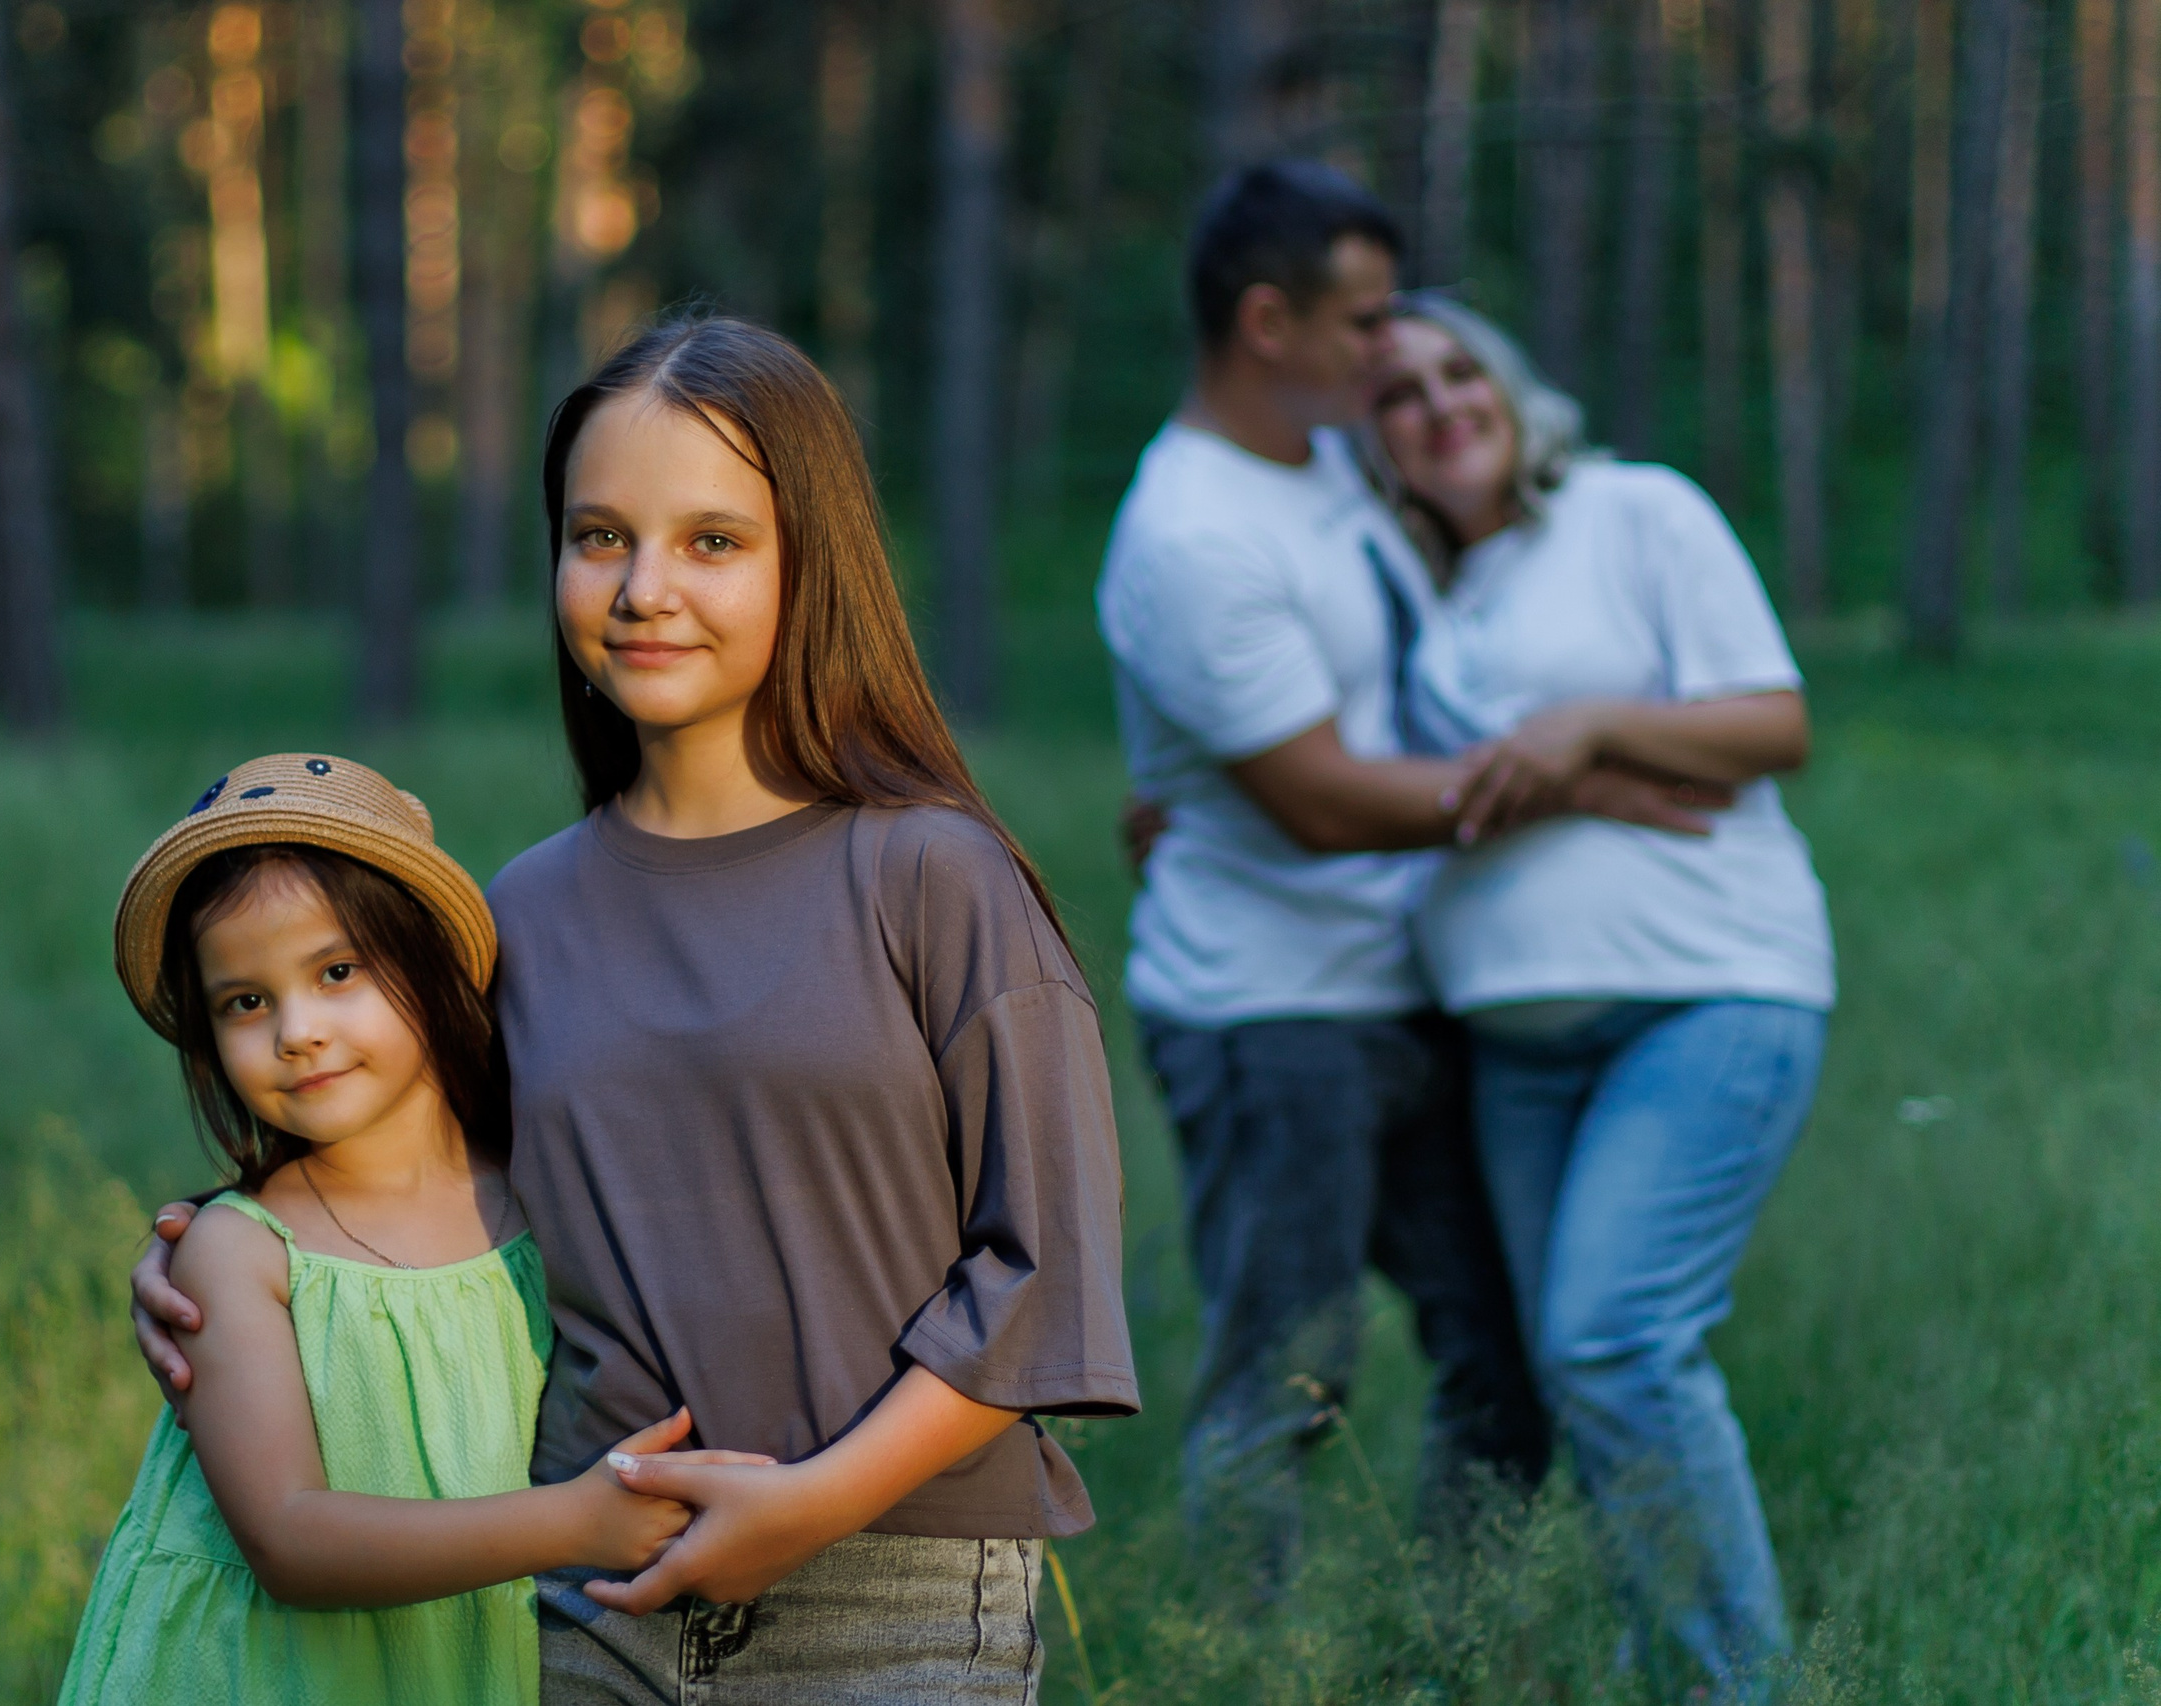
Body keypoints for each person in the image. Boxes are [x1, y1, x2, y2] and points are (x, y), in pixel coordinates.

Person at [133, 317, 1139, 1702]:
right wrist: (215, 1254)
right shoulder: (522, 916)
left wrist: (812, 1498)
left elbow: (1046, 1270)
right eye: (600, 535)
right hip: (583, 1593)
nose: (644, 587)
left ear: (810, 556)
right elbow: (421, 1183)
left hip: (890, 1589)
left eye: (712, 540)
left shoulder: (932, 873)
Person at [1095, 161, 1731, 1558]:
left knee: (1508, 1360)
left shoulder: (1326, 460)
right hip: (1272, 1018)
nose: (1388, 345)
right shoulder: (1190, 531)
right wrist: (1583, 781)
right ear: (1270, 322)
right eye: (1365, 318)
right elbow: (1320, 798)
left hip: (1408, 985)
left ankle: (1439, 1658)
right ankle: (1242, 1669)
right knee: (1287, 1388)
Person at [61, 753, 770, 1704]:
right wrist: (574, 1526)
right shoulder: (241, 1253)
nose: (297, 1030)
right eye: (246, 1001)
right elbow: (288, 1540)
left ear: (432, 963)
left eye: (338, 970)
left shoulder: (536, 1189)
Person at [1364, 292, 1832, 1696]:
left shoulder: (1636, 513)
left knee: (1618, 1337)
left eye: (1463, 369)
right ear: (1371, 443)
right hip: (1515, 1047)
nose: (1442, 402)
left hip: (1709, 994)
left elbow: (1773, 725)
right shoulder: (1400, 590)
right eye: (1399, 392)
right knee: (1577, 1372)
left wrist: (1588, 731)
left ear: (1511, 388)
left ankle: (1731, 1682)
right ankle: (1660, 1653)